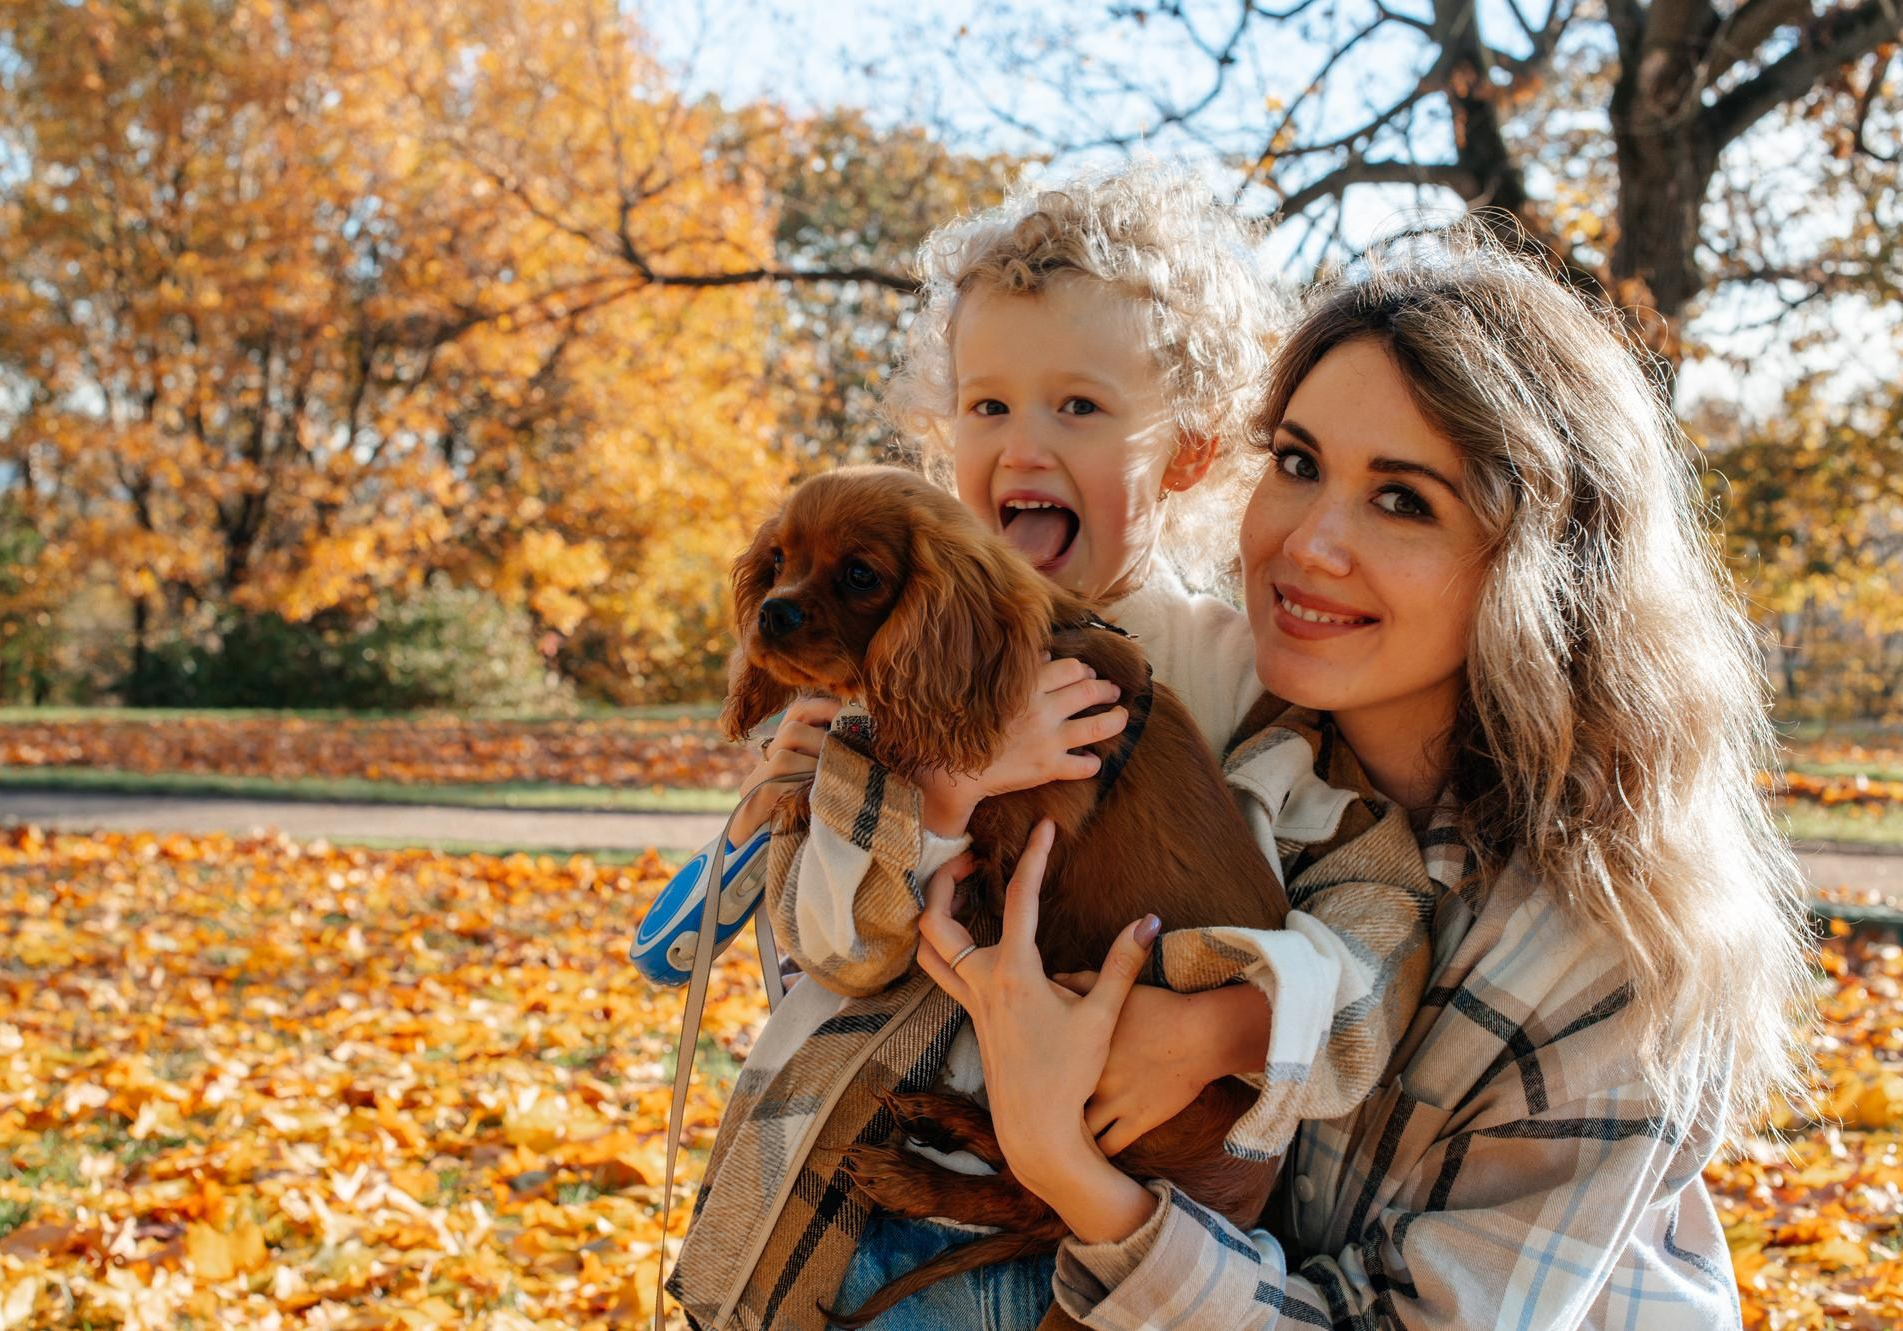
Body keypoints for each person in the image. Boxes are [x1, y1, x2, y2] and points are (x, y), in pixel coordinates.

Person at [914, 224, 1816, 1328]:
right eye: (1295, 464)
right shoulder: (1230, 754)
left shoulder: (1603, 954)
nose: (1307, 543)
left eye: (1402, 500)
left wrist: (1076, 1176)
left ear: (1540, 562)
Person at [667, 165, 1444, 1331]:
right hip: (867, 1210)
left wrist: (1226, 1026)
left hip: (1128, 1229)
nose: (1022, 444)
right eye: (986, 406)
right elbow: (824, 944)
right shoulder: (871, 677)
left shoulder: (1238, 669)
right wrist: (944, 784)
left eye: (1077, 407)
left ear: (1186, 450)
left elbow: (1372, 899)